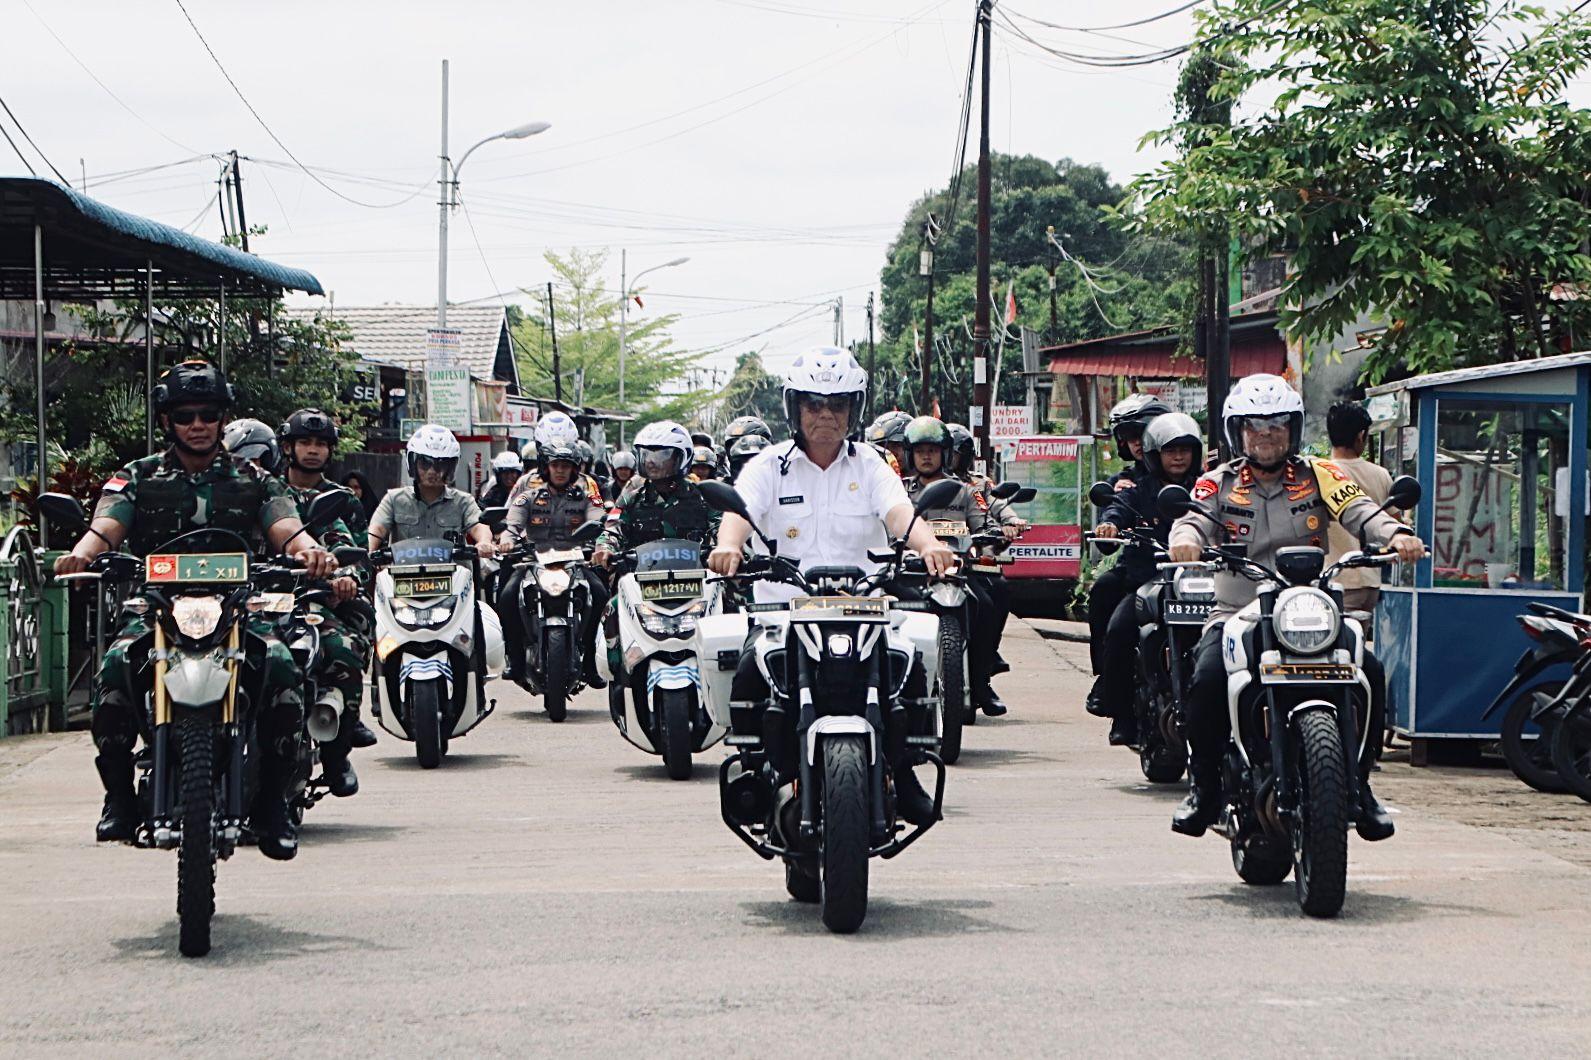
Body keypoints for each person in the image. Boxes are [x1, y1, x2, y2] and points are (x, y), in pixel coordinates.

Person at [54, 360, 336, 860]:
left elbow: (286, 526)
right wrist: (82, 552)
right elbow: (105, 527)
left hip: (237, 607)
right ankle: (117, 796)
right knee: (115, 667)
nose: (198, 424)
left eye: (209, 414)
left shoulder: (254, 477)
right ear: (169, 421)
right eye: (186, 415)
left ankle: (273, 804)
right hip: (156, 606)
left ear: (221, 418)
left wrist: (310, 551)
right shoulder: (138, 476)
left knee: (282, 668)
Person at [1166, 374, 1425, 841]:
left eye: (1277, 425)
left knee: (1372, 671)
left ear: (1294, 429)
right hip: (1236, 610)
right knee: (1205, 679)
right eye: (1255, 426)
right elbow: (1192, 521)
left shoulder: (1321, 474)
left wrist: (1397, 535)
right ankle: (1203, 789)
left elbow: (1362, 511)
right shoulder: (1215, 482)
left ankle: (1360, 786)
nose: (1266, 435)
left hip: (1310, 606)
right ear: (1237, 431)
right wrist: (1185, 542)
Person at [708, 348, 956, 826]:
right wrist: (729, 548)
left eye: (837, 404)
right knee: (748, 671)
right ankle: (757, 772)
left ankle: (904, 775)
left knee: (910, 667)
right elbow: (738, 513)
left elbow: (901, 513)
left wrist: (928, 546)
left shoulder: (871, 466)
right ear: (794, 409)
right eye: (813, 404)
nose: (825, 415)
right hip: (784, 612)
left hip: (863, 608)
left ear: (853, 411)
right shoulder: (765, 466)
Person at [1092, 412, 1203, 746]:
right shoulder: (1138, 489)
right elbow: (1117, 510)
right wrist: (1109, 526)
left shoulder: (1207, 487)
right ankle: (1121, 713)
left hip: (1201, 586)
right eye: (1170, 450)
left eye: (1184, 449)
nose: (1179, 456)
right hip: (1148, 582)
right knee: (1119, 630)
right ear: (1157, 455)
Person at [277, 408, 379, 766]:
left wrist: (350, 579)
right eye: (304, 442)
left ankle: (339, 747)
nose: (312, 450)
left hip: (319, 598)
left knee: (346, 649)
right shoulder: (267, 493)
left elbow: (358, 552)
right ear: (288, 447)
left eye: (321, 444)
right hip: (263, 597)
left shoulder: (343, 499)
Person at [900, 415, 1012, 717]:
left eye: (933, 450)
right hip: (911, 573)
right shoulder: (898, 491)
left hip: (957, 571)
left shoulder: (965, 490)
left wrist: (996, 538)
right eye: (921, 450)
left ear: (945, 454)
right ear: (910, 455)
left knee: (987, 607)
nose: (926, 456)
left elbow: (984, 523)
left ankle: (980, 684)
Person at [1084, 395, 1172, 714]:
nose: (1137, 442)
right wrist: (1109, 528)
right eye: (1130, 436)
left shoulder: (1199, 480)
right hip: (1137, 571)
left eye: (1143, 433)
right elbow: (1110, 524)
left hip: (1188, 575)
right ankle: (1106, 678)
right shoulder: (1124, 484)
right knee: (1104, 592)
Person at [497, 438, 609, 687]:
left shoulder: (590, 496)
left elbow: (601, 520)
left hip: (576, 561)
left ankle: (591, 662)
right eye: (555, 465)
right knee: (506, 597)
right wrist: (506, 540)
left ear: (574, 469)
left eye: (566, 466)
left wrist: (600, 543)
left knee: (602, 596)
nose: (560, 470)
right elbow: (511, 525)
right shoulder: (525, 497)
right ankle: (515, 660)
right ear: (545, 467)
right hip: (533, 562)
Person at [367, 424, 496, 559]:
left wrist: (484, 542)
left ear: (450, 467)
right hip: (404, 576)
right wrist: (369, 550)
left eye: (440, 465)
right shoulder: (394, 499)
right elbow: (378, 528)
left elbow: (478, 526)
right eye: (425, 463)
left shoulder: (464, 501)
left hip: (454, 576)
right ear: (413, 464)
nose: (432, 471)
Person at [1324, 400, 1394, 615]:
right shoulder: (1380, 474)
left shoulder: (1321, 473)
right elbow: (1395, 521)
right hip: (1370, 582)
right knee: (1356, 643)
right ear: (1361, 435)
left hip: (1334, 580)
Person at [339, 470, 377, 539]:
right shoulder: (336, 510)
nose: (352, 491)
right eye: (348, 487)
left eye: (356, 487)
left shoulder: (374, 512)